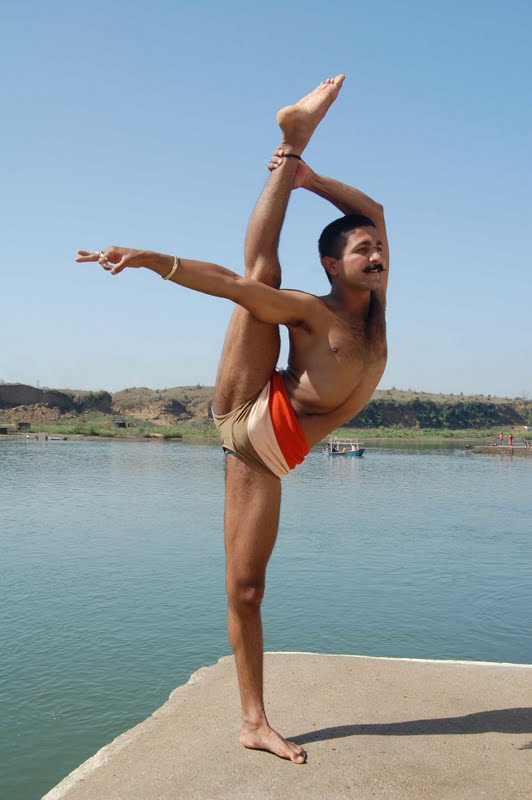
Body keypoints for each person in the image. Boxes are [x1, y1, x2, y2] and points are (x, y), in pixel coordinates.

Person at [75, 75, 389, 764]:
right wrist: (151, 259)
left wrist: (311, 179)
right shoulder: (311, 311)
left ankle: (293, 144)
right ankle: (253, 721)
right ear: (333, 265)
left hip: (280, 453)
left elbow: (372, 209)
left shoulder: (376, 302)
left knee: (251, 586)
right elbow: (230, 285)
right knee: (259, 281)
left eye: (377, 248)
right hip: (250, 429)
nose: (375, 254)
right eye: (361, 250)